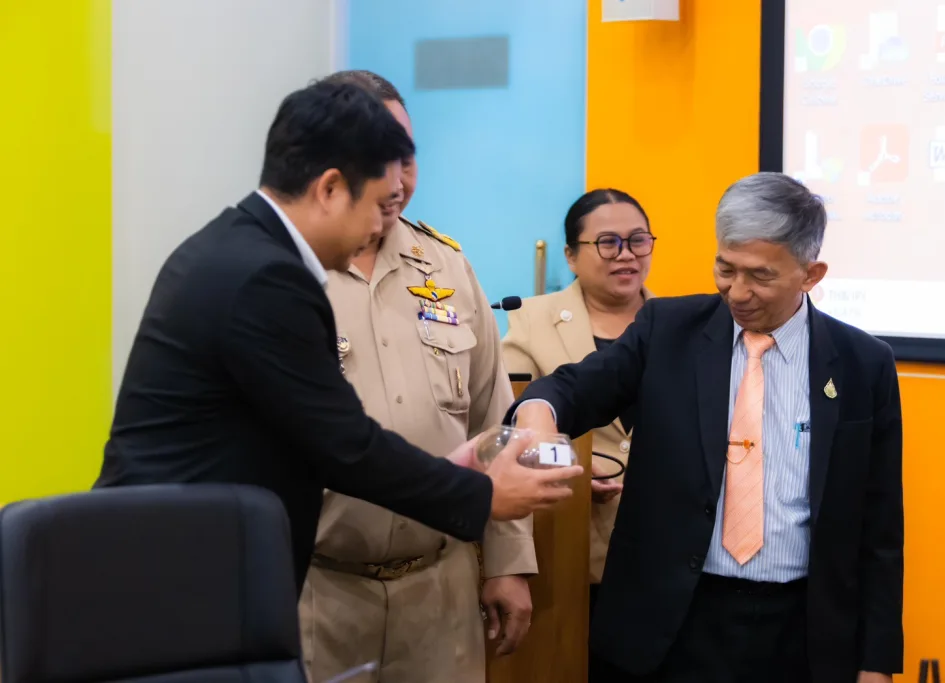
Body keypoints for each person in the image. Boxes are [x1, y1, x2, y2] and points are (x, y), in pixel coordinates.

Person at [95, 79, 582, 591]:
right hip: (184, 575)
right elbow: (344, 445)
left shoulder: (237, 247)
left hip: (192, 558)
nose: (380, 226)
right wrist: (479, 496)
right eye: (377, 205)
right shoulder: (266, 277)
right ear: (329, 189)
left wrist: (453, 468)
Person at [510, 172, 904, 683]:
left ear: (811, 274)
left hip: (803, 632)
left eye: (760, 276)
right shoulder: (668, 330)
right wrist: (538, 414)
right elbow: (573, 388)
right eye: (725, 268)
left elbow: (879, 526)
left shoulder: (862, 364)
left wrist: (876, 662)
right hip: (673, 627)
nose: (737, 292)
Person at [298, 71, 535, 683]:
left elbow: (494, 422)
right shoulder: (288, 272)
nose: (398, 179)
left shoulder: (446, 265)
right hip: (319, 593)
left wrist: (508, 562)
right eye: (378, 159)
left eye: (406, 157)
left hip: (441, 591)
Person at [501, 188, 654, 616]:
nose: (626, 254)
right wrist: (563, 464)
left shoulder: (678, 326)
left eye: (638, 240)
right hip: (566, 548)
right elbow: (503, 428)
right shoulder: (530, 321)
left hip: (659, 552)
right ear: (570, 256)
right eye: (608, 243)